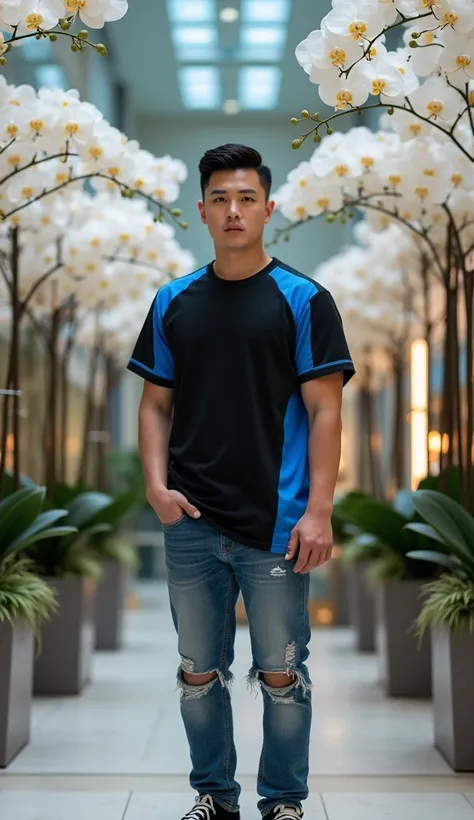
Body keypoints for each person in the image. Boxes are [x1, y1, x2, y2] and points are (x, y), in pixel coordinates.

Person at [127, 144, 355, 820]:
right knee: (199, 671)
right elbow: (154, 405)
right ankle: (214, 797)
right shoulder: (173, 301)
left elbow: (326, 410)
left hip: (278, 524)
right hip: (191, 518)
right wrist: (155, 487)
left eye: (246, 198)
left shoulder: (304, 299)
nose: (233, 210)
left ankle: (283, 802)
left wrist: (319, 511)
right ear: (201, 211)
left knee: (281, 674)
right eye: (221, 199)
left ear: (268, 208)